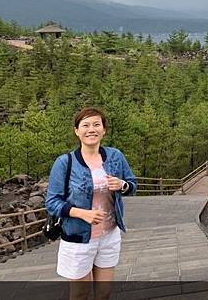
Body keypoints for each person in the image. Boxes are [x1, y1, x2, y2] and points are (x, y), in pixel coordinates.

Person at [46, 107, 137, 300]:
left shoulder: (115, 156)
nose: (91, 129)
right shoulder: (64, 162)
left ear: (104, 130)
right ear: (76, 130)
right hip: (78, 238)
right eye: (85, 125)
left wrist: (123, 185)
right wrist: (81, 213)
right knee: (80, 294)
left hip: (110, 235)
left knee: (104, 293)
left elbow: (132, 185)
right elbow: (52, 202)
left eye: (97, 124)